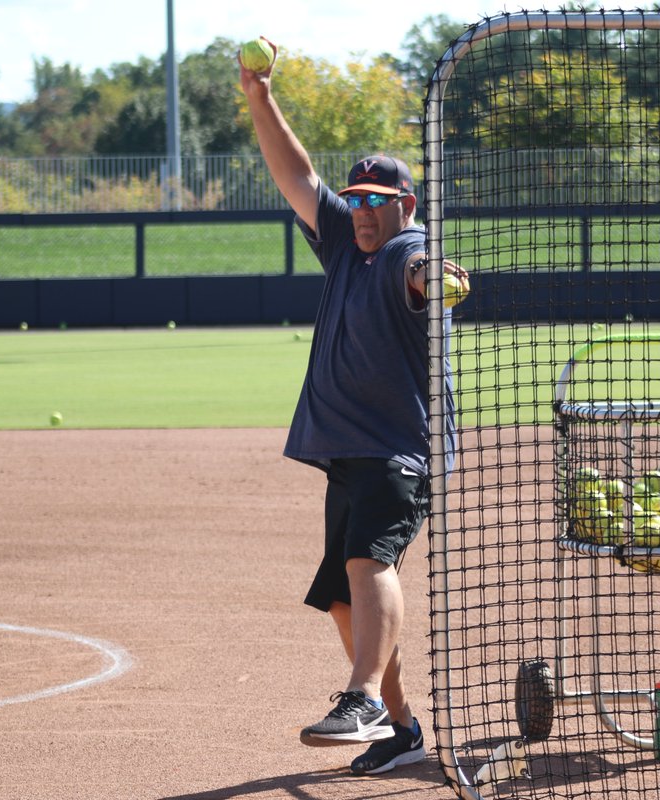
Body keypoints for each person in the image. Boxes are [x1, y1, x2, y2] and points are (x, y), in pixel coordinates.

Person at [239, 41, 465, 777]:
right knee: (342, 596)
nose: (362, 210)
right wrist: (258, 95)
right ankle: (401, 730)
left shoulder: (408, 249)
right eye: (356, 199)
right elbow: (297, 174)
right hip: (349, 454)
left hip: (399, 448)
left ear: (405, 202)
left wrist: (443, 278)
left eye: (377, 200)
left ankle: (364, 695)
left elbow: (430, 270)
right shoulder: (341, 243)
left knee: (370, 559)